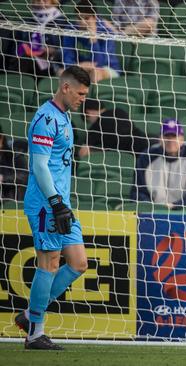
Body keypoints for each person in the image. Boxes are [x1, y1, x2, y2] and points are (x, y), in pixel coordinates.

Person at [14, 66, 91, 350]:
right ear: (66, 87)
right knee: (49, 262)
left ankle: (29, 314)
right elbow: (39, 165)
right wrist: (56, 202)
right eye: (80, 93)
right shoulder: (46, 119)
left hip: (61, 203)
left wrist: (62, 203)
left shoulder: (65, 116)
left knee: (79, 263)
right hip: (47, 203)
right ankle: (35, 332)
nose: (83, 98)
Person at [131, 118, 186, 208]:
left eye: (174, 136)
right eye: (166, 137)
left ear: (182, 139)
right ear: (160, 138)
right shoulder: (146, 157)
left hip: (185, 210)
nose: (170, 141)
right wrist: (153, 206)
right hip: (154, 211)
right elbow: (138, 192)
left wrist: (176, 205)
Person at [4, 0, 70, 77]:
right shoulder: (25, 23)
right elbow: (15, 51)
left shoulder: (63, 23)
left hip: (54, 63)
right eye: (37, 0)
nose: (41, 2)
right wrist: (26, 48)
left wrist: (53, 51)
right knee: (23, 58)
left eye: (45, 0)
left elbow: (69, 51)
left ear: (53, 2)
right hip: (29, 62)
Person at [62, 0, 122, 83]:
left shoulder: (106, 32)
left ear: (95, 18)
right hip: (79, 68)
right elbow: (67, 59)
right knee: (62, 73)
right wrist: (79, 66)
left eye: (86, 18)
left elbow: (100, 63)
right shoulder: (70, 31)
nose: (82, 22)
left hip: (106, 69)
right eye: (79, 18)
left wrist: (93, 39)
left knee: (95, 72)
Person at [77, 99, 151, 158]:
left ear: (88, 113)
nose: (91, 123)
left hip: (131, 157)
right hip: (145, 143)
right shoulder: (120, 111)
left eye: (88, 121)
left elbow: (82, 152)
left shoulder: (96, 125)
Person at [0, 125, 28, 201]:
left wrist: (3, 178)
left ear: (1, 139)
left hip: (16, 203)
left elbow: (24, 176)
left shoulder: (14, 153)